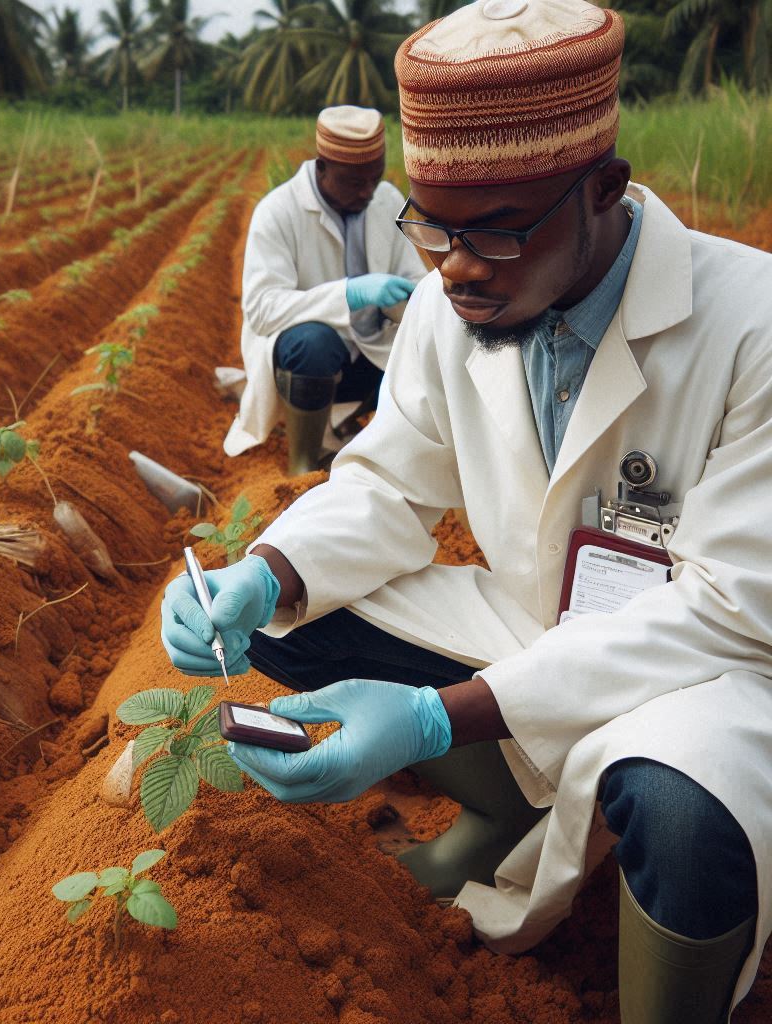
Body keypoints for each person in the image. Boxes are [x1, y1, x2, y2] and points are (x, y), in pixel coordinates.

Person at [162, 1, 772, 1021]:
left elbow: (730, 608)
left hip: (712, 671)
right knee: (295, 614)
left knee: (685, 803)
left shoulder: (751, 322)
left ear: (603, 191)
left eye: (492, 232)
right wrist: (263, 570)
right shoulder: (460, 302)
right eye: (431, 230)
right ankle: (501, 818)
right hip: (540, 621)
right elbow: (389, 487)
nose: (450, 267)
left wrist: (428, 718)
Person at [223, 105, 427, 475]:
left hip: (369, 354)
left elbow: (411, 274)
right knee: (313, 343)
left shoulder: (384, 199)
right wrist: (349, 294)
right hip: (307, 364)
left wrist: (410, 297)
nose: (367, 191)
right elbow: (262, 309)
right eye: (354, 182)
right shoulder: (278, 212)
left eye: (374, 177)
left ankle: (398, 459)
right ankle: (305, 463)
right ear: (321, 168)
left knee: (426, 345)